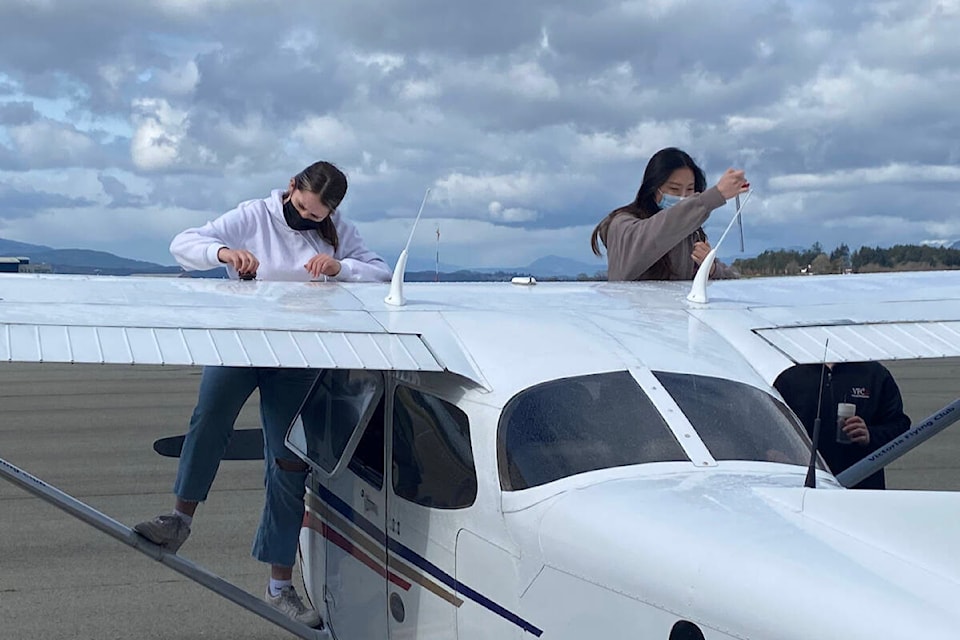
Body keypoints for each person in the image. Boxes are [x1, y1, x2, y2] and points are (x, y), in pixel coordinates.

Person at [134, 161, 391, 627]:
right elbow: (183, 244)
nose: (308, 220)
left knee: (288, 459)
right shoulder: (253, 215)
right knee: (209, 418)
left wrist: (341, 266)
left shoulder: (339, 231)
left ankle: (279, 586)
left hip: (296, 353)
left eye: (317, 216)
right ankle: (178, 520)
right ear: (291, 189)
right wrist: (224, 254)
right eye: (302, 208)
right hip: (241, 341)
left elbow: (380, 271)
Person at [590, 147, 748, 281]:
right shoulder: (622, 226)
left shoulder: (691, 235)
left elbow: (732, 281)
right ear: (653, 188)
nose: (683, 197)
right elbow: (656, 233)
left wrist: (711, 268)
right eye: (674, 189)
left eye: (690, 190)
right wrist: (714, 196)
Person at [774, 362, 911, 489]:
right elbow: (764, 426)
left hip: (861, 483)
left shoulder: (875, 374)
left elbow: (900, 426)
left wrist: (871, 435)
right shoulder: (790, 376)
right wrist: (774, 453)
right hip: (801, 482)